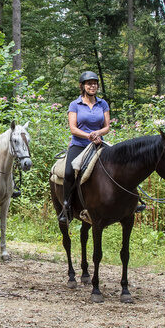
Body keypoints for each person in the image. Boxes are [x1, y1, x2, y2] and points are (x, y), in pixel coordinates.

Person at [58, 71, 111, 224]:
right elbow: (73, 128)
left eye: (94, 83)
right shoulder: (75, 104)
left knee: (120, 164)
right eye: (89, 83)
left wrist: (98, 133)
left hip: (99, 144)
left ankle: (131, 202)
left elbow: (107, 127)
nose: (92, 86)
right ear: (82, 86)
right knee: (69, 172)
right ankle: (66, 207)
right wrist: (88, 136)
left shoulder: (103, 104)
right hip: (79, 144)